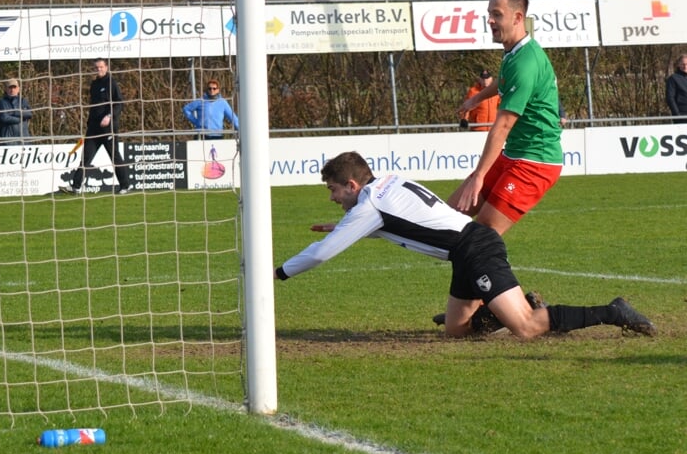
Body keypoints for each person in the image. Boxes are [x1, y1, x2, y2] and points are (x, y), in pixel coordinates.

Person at [274, 151, 657, 339]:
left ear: (353, 186)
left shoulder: (369, 205)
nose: (332, 197)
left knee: (525, 329)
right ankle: (509, 307)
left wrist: (279, 272)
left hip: (476, 249)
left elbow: (324, 252)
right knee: (455, 332)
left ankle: (612, 311)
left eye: (334, 190)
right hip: (465, 249)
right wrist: (344, 223)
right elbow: (402, 222)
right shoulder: (387, 182)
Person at [449, 0, 563, 238]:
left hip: (536, 161)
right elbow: (502, 80)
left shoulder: (526, 63)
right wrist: (476, 99)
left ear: (518, 18)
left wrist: (479, 175)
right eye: (489, 14)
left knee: (483, 234)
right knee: (450, 214)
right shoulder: (514, 53)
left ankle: (504, 280)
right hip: (513, 154)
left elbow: (502, 127)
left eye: (496, 15)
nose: (489, 20)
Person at [64, 58, 131, 194]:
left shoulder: (111, 83)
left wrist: (109, 116)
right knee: (86, 157)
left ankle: (125, 185)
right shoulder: (94, 84)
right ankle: (76, 186)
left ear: (106, 67)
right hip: (94, 128)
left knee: (114, 156)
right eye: (96, 67)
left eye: (101, 67)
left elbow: (119, 102)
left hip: (108, 129)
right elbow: (94, 107)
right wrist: (89, 123)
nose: (99, 69)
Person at [0, 78, 33, 143]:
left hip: (24, 138)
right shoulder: (1, 102)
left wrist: (14, 112)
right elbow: (4, 117)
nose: (12, 90)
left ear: (18, 89)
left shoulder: (23, 101)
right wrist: (20, 119)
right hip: (8, 139)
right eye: (10, 88)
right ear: (6, 89)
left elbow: (29, 114)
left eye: (14, 87)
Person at [665, 53, 687, 124]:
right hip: (682, 117)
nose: (685, 66)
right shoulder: (673, 78)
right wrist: (677, 115)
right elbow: (670, 98)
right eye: (683, 64)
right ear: (679, 64)